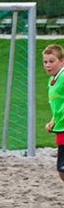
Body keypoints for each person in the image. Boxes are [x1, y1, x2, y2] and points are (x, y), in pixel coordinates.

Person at [43, 44, 64, 182]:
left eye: (52, 61)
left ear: (62, 61)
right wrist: (53, 121)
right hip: (61, 129)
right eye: (45, 62)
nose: (48, 65)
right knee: (62, 172)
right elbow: (58, 106)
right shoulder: (52, 80)